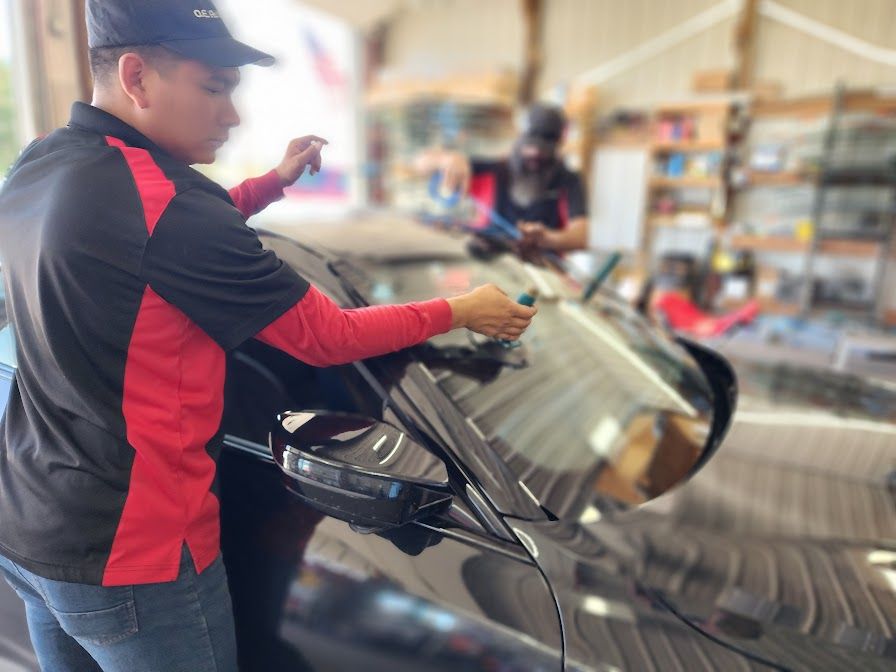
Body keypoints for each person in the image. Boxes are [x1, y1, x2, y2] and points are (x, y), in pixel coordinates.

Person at [0, 1, 536, 670]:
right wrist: (460, 309)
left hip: (29, 523)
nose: (234, 114)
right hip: (133, 555)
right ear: (136, 77)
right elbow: (328, 336)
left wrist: (270, 186)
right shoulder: (175, 213)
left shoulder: (43, 164)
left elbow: (152, 237)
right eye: (214, 86)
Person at [417, 102, 590, 256]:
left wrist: (547, 238)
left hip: (542, 276)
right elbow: (421, 163)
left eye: (544, 149)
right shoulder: (491, 171)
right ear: (519, 137)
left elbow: (581, 236)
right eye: (530, 145)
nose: (535, 153)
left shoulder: (568, 181)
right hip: (487, 268)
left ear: (558, 144)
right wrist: (446, 159)